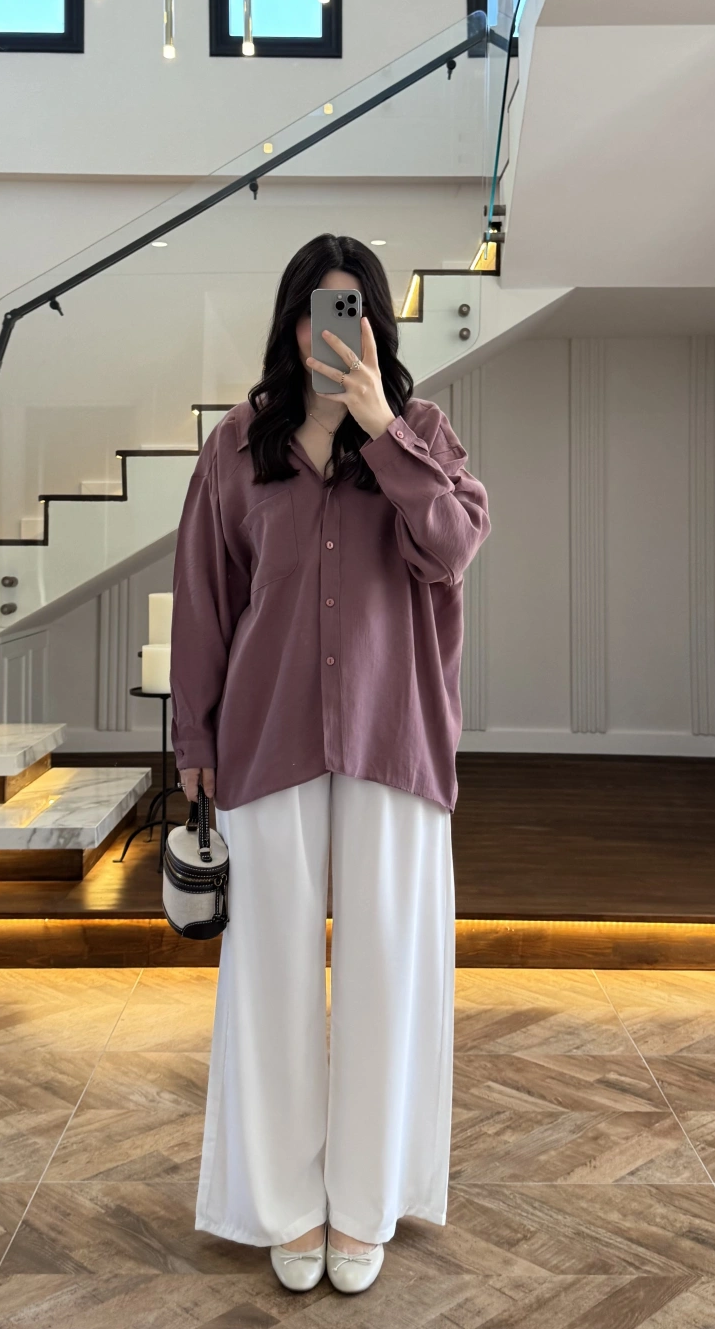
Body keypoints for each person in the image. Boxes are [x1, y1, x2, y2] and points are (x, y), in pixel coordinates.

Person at [169, 233, 491, 1294]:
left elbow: (453, 545)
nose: (331, 328)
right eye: (316, 308)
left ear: (377, 327)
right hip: (268, 740)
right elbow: (206, 601)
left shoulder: (422, 434)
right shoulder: (237, 445)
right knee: (270, 981)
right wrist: (195, 742)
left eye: (351, 309)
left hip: (394, 741)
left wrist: (382, 430)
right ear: (291, 322)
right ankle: (284, 1204)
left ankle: (364, 1203)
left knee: (386, 975)